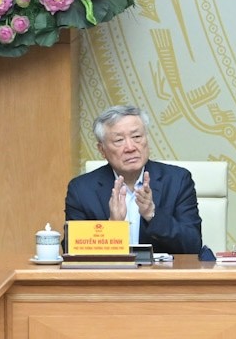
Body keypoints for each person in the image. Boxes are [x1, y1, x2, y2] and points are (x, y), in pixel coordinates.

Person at [62, 105, 209, 257]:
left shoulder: (177, 181)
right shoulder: (81, 190)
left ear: (147, 139)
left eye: (137, 137)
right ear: (102, 150)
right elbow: (71, 250)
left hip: (161, 272)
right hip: (109, 272)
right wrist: (112, 226)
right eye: (119, 140)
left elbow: (193, 245)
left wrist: (152, 215)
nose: (130, 147)